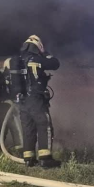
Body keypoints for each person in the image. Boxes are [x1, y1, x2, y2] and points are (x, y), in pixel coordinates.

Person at [12, 34, 60, 168]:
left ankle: (29, 159)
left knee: (28, 128)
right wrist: (46, 53)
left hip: (22, 100)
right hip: (36, 98)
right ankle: (45, 159)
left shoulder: (18, 60)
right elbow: (55, 63)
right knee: (44, 125)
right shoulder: (37, 59)